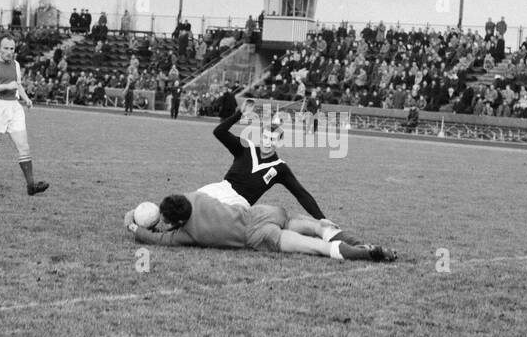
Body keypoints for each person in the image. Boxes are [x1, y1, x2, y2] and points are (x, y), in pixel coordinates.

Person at [124, 191, 396, 262]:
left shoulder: (187, 234)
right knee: (317, 228)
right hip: (264, 212)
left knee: (318, 248)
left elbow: (157, 239)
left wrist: (134, 227)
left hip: (257, 234)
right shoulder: (194, 196)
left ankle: (364, 253)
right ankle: (360, 241)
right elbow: (173, 206)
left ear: (177, 223)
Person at [202, 99, 326, 217]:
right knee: (190, 204)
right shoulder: (245, 148)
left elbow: (302, 195)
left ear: (280, 142)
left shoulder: (279, 168)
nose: (267, 143)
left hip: (237, 205)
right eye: (265, 138)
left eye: (272, 139)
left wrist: (322, 219)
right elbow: (219, 132)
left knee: (210, 219)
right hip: (219, 189)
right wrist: (239, 114)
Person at [0, 34, 49, 195]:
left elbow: (18, 85)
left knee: (24, 147)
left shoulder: (16, 64)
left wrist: (26, 99)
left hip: (14, 109)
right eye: (6, 48)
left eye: (12, 49)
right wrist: (6, 86)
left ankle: (31, 186)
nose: (10, 52)